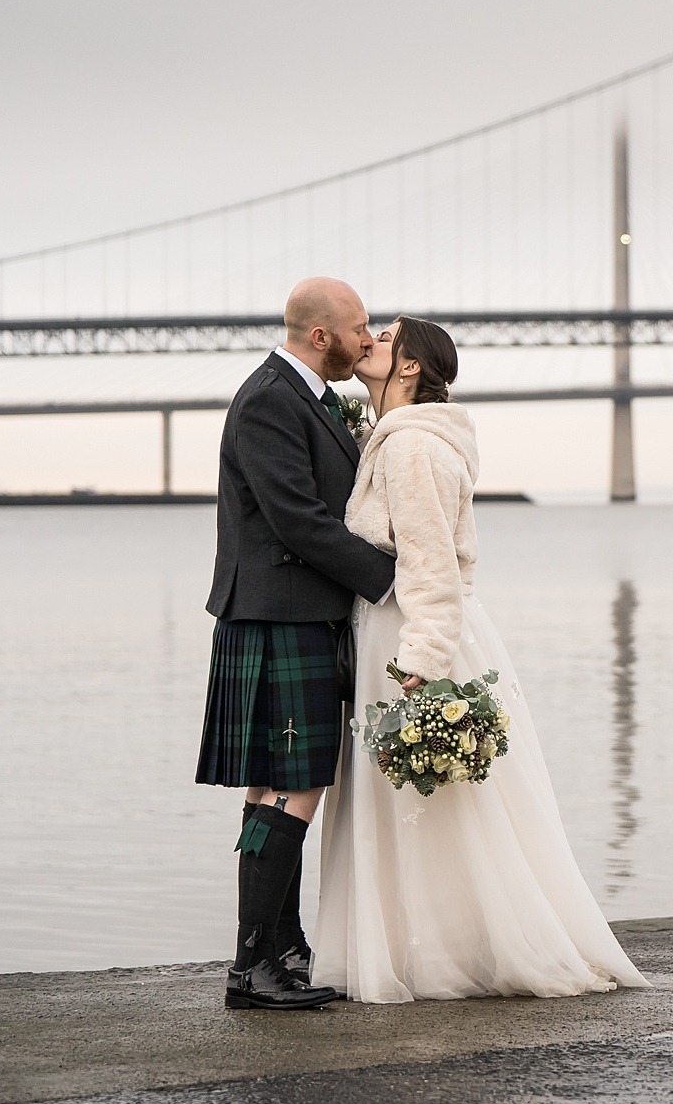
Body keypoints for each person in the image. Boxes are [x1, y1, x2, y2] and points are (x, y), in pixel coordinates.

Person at [313, 315, 648, 1002]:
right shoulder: (408, 436)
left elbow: (431, 562)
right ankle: (437, 944)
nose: (368, 341)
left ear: (410, 367)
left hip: (413, 629)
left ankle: (435, 954)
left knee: (430, 804)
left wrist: (420, 658)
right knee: (438, 810)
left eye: (383, 338)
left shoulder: (411, 446)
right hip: (409, 624)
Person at [195, 277, 397, 1010]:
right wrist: (392, 581)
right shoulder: (271, 400)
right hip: (280, 614)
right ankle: (252, 968)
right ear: (322, 336)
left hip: (287, 613)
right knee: (296, 784)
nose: (368, 339)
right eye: (360, 327)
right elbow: (299, 521)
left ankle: (281, 946)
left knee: (269, 788)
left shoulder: (299, 395)